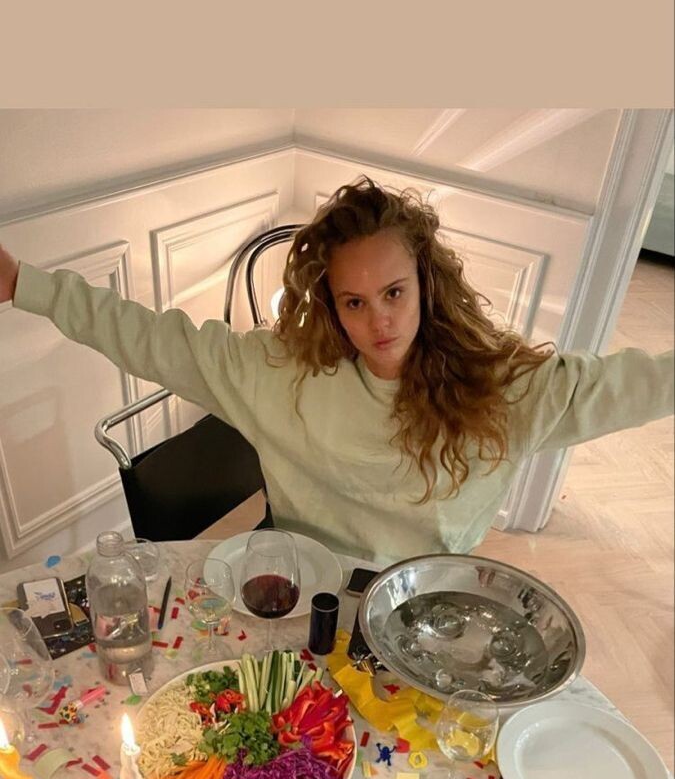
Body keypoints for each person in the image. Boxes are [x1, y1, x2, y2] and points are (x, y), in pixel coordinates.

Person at [0, 177, 672, 565]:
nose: (379, 321)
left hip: (421, 613)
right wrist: (24, 284)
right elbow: (148, 338)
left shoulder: (501, 390)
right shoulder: (277, 373)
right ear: (329, 304)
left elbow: (628, 385)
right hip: (299, 593)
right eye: (354, 302)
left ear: (426, 283)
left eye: (394, 292)